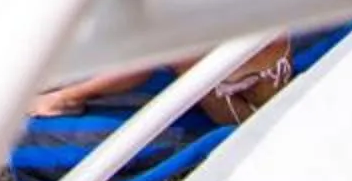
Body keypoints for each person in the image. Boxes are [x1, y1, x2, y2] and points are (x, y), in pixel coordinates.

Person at [29, 33, 297, 122]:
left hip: (247, 111)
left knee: (172, 54)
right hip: (235, 70)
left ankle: (65, 99)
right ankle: (54, 80)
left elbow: (142, 67)